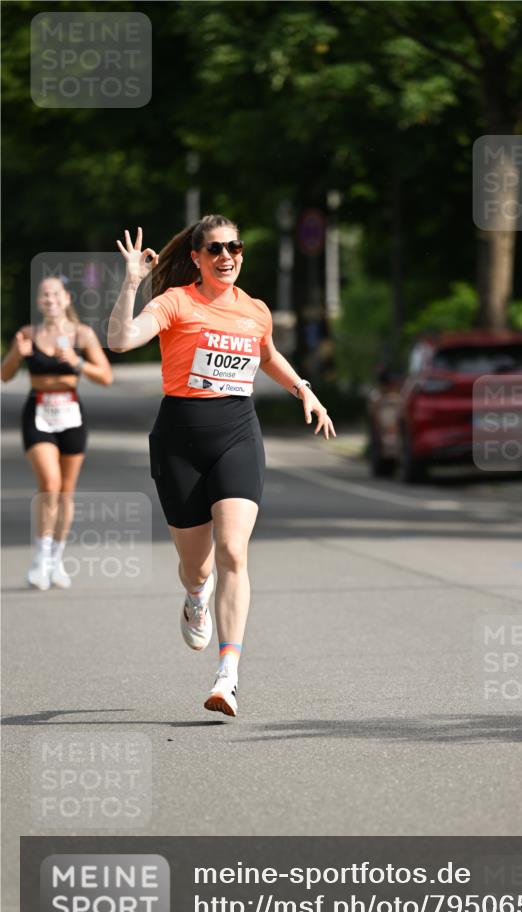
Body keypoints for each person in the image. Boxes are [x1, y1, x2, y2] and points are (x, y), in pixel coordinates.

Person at [108, 216, 335, 717]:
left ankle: (227, 676)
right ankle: (196, 594)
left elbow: (268, 354)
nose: (226, 256)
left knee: (234, 549)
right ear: (197, 257)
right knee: (199, 563)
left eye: (234, 246)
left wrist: (305, 391)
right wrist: (129, 283)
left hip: (237, 435)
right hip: (179, 441)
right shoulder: (175, 302)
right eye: (214, 249)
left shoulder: (254, 310)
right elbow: (121, 341)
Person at [1, 276, 113, 590]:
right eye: (44, 295)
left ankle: (57, 559)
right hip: (38, 411)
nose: (49, 299)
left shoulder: (82, 334)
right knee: (49, 484)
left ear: (66, 299)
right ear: (39, 302)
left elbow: (105, 376)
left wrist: (77, 363)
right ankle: (40, 558)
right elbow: (5, 375)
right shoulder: (27, 334)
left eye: (55, 294)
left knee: (66, 491)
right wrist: (17, 354)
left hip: (71, 413)